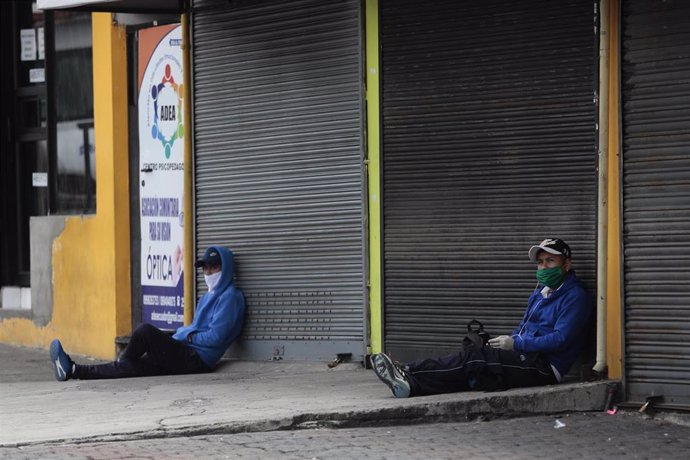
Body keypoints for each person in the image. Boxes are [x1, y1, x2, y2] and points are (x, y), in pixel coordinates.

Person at [371, 238, 594, 397]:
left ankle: (408, 370)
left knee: (475, 360)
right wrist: (509, 342)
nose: (543, 267)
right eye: (540, 262)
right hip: (526, 354)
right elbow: (524, 327)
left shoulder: (576, 297)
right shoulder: (540, 293)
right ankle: (411, 384)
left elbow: (560, 339)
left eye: (550, 261)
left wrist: (517, 343)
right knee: (475, 366)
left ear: (566, 264)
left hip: (546, 367)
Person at [49, 246, 245, 381]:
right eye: (206, 268)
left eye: (214, 267)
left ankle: (121, 362)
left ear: (226, 268)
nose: (208, 272)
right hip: (187, 352)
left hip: (197, 360)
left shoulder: (230, 298)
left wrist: (187, 335)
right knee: (133, 368)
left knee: (145, 332)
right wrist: (184, 335)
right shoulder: (207, 296)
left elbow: (216, 337)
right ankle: (73, 370)